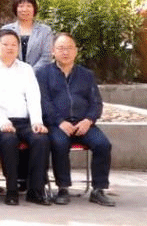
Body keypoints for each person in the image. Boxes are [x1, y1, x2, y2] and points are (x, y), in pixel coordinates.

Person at [36, 33, 115, 207]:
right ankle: (63, 188)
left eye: (69, 48)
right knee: (59, 144)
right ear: (53, 51)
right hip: (57, 125)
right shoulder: (43, 74)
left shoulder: (86, 75)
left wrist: (88, 120)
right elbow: (44, 102)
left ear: (76, 51)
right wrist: (59, 122)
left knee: (103, 144)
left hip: (83, 124)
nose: (65, 52)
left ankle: (98, 190)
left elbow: (96, 102)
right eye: (61, 48)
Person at [0, 29, 51, 205]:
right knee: (9, 140)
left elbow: (33, 97)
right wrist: (2, 122)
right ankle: (12, 190)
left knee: (41, 139)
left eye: (14, 45)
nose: (10, 48)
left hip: (24, 121)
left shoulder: (26, 69)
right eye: (5, 44)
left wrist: (37, 122)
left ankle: (35, 190)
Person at [3, 0, 56, 70]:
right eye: (21, 6)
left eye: (28, 6)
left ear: (34, 8)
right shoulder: (6, 30)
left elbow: (46, 57)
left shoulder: (45, 31)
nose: (25, 9)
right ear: (15, 8)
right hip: (11, 73)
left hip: (37, 75)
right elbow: (3, 54)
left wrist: (30, 72)